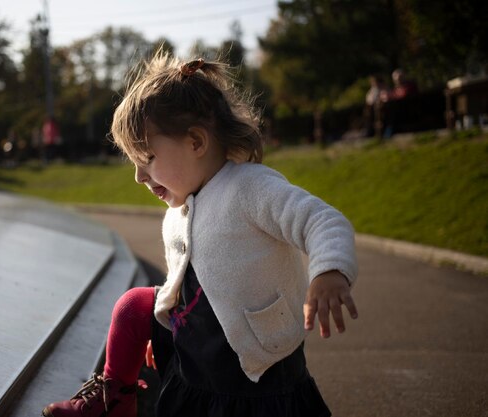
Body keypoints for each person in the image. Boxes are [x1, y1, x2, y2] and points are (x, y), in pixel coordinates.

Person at [43, 53, 359, 417]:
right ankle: (114, 399)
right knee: (134, 306)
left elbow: (321, 220)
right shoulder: (179, 210)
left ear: (195, 142)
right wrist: (168, 318)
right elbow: (184, 279)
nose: (138, 177)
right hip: (199, 356)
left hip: (255, 378)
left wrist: (329, 271)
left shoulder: (251, 187)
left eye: (146, 158)